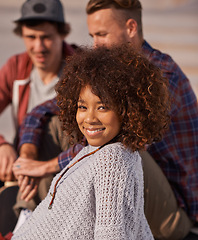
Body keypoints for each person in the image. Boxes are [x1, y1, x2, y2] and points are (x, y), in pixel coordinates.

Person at [13, 0, 198, 239]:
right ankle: (26, 217)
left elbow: (123, 144)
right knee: (58, 124)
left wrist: (46, 167)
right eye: (92, 35)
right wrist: (26, 157)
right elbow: (43, 110)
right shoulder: (109, 71)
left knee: (117, 147)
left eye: (102, 34)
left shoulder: (160, 74)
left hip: (173, 211)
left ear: (131, 28)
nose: (95, 44)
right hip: (134, 184)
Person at [12, 44, 170, 239]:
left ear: (128, 111)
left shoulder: (112, 159)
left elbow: (111, 234)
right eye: (82, 107)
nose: (89, 118)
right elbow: (137, 223)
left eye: (103, 107)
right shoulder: (97, 150)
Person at [0, 0, 76, 235]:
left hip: (66, 164)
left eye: (47, 37)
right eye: (31, 37)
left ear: (63, 33)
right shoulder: (16, 66)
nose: (38, 46)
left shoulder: (80, 68)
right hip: (24, 161)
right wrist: (2, 145)